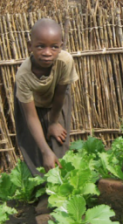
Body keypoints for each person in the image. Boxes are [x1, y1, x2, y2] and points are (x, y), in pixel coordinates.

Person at [14, 18, 79, 177]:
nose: (47, 52)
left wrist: (54, 122)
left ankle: (62, 187)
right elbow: (30, 116)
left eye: (54, 47)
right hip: (31, 103)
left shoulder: (65, 61)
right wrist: (45, 151)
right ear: (30, 46)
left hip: (56, 98)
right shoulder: (23, 76)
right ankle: (43, 188)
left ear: (61, 46)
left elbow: (60, 93)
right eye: (40, 46)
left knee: (59, 138)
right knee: (35, 146)